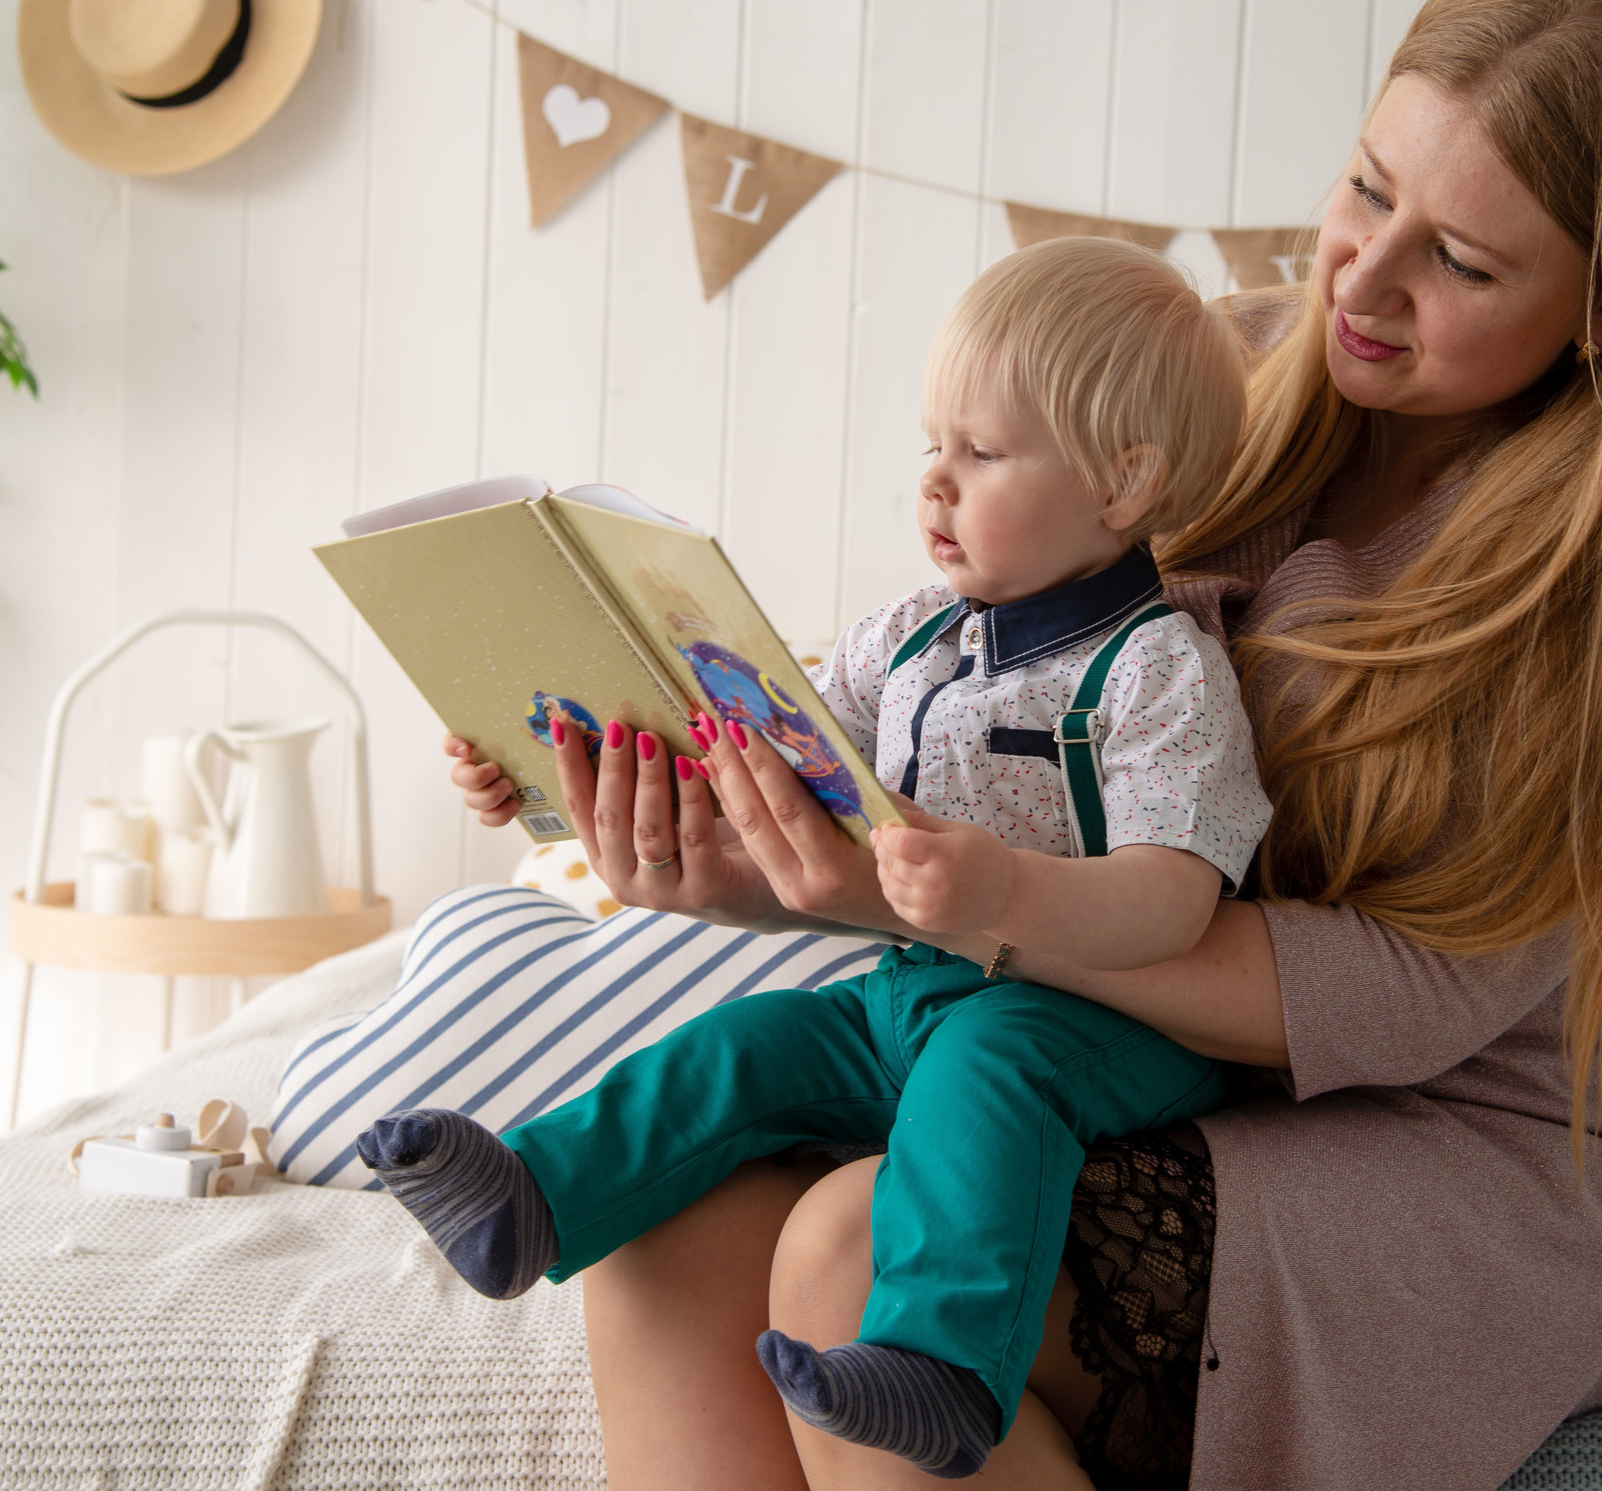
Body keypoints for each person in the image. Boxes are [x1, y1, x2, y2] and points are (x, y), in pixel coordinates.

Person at [451, 0, 1602, 1490]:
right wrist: (732, 858)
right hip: (1102, 1023)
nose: (1359, 280)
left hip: (1480, 1135)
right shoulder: (1209, 368)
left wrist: (971, 919)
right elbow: (957, 779)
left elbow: (1419, 996)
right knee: (663, 1222)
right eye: (1367, 191)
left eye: (1466, 265)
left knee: (849, 1248)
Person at [380, 236, 1271, 1479]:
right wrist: (551, 756)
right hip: (915, 988)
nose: (935, 486)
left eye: (984, 452)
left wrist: (1010, 890)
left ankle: (943, 1366)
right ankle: (536, 1193)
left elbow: (1177, 897)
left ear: (1125, 482)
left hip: (1086, 1019)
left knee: (988, 1068)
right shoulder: (904, 642)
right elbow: (780, 783)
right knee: (747, 1045)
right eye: (930, 447)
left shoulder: (1160, 669)